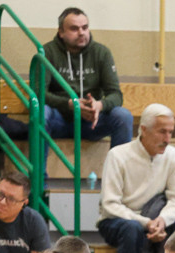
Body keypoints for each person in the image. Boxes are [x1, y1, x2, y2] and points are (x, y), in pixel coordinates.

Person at [97, 103, 175, 253]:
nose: (167, 138)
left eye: (170, 132)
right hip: (117, 220)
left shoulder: (173, 156)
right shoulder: (118, 155)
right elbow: (110, 204)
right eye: (162, 131)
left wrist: (162, 221)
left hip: (156, 219)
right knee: (131, 230)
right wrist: (145, 222)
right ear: (143, 130)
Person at [41, 7, 133, 148]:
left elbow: (116, 94)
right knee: (41, 112)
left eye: (85, 27)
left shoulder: (101, 53)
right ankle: (39, 171)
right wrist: (70, 104)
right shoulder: (47, 52)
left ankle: (117, 170)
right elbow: (38, 93)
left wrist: (99, 106)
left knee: (123, 116)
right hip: (59, 119)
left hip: (91, 122)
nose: (81, 33)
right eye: (74, 29)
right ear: (61, 32)